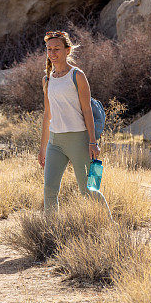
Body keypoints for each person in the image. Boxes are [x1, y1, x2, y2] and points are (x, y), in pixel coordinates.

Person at [38, 30, 103, 213]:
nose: (52, 53)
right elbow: (47, 115)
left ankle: (108, 225)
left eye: (57, 49)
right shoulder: (47, 79)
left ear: (68, 50)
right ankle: (52, 233)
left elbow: (87, 109)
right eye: (49, 49)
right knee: (49, 191)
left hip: (79, 140)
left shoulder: (77, 76)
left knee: (90, 189)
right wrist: (43, 148)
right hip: (55, 142)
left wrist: (93, 142)